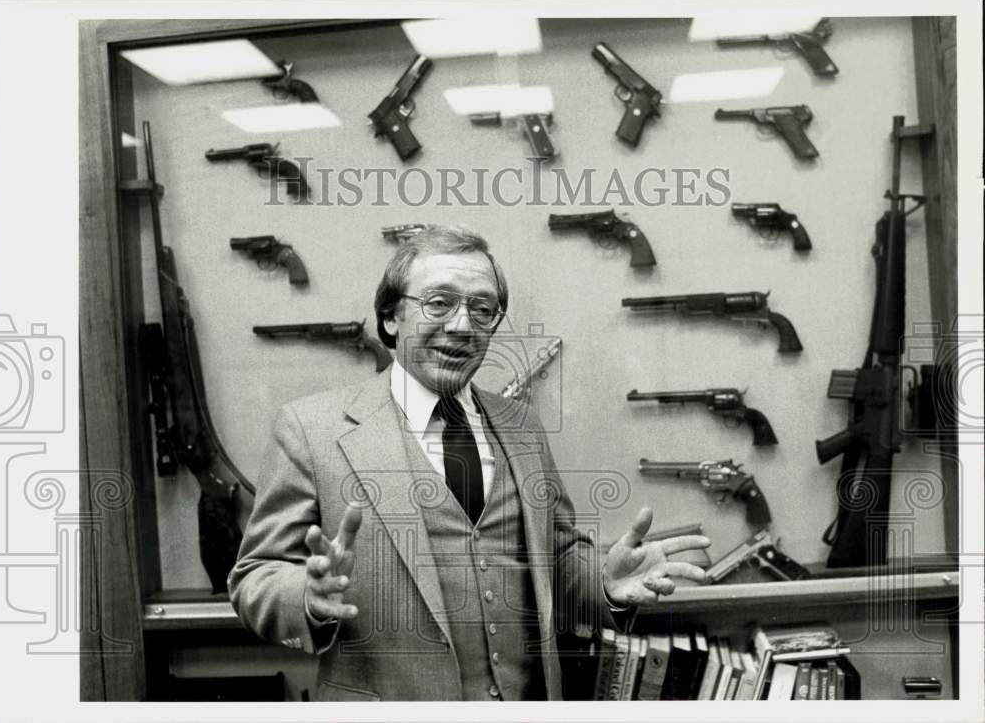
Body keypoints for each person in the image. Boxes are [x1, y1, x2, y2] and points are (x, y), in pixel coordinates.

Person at [228, 225, 710, 701]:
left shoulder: (520, 425)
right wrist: (306, 599)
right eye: (438, 303)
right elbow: (255, 576)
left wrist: (604, 581)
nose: (462, 325)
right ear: (391, 317)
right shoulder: (311, 428)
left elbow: (557, 560)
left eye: (482, 309)